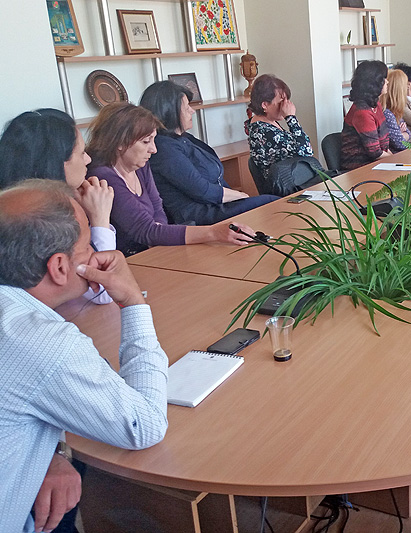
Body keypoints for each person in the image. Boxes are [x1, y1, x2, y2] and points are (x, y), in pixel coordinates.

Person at [0, 179, 169, 533]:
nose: (95, 253)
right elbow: (145, 426)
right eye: (88, 244)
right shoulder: (43, 342)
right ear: (60, 267)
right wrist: (132, 301)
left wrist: (49, 455)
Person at [86, 103, 255, 256]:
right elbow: (144, 230)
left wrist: (158, 235)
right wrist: (213, 232)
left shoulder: (139, 164)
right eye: (146, 142)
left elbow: (158, 208)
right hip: (132, 259)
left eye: (153, 140)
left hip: (155, 250)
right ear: (120, 143)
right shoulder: (103, 176)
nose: (153, 149)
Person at [0, 109, 115, 305]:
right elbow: (102, 289)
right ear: (56, 163)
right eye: (81, 153)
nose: (88, 159)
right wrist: (100, 219)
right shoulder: (34, 217)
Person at [139, 81, 277, 226]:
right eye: (186, 108)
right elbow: (202, 190)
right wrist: (242, 196)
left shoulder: (184, 138)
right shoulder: (164, 148)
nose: (192, 111)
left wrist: (241, 198)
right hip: (200, 215)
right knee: (272, 203)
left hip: (216, 205)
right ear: (169, 112)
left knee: (273, 203)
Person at [246, 74, 314, 179]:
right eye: (281, 102)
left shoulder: (268, 123)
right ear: (265, 105)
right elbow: (306, 151)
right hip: (291, 183)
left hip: (296, 178)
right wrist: (290, 117)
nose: (285, 106)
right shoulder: (263, 131)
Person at [340, 60, 392, 171]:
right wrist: (396, 160)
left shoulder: (375, 104)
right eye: (384, 79)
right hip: (359, 168)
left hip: (377, 163)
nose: (387, 82)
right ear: (374, 83)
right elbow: (375, 153)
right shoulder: (362, 112)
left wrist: (395, 158)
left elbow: (384, 146)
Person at [380, 69, 411, 153]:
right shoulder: (387, 114)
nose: (408, 88)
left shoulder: (394, 111)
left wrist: (401, 134)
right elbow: (401, 144)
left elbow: (408, 133)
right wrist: (403, 134)